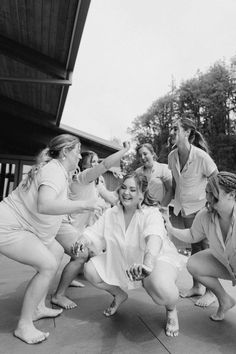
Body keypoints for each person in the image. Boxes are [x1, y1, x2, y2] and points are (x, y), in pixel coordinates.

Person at [0, 134, 105, 345]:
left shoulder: (59, 172)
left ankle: (37, 307)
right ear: (66, 152)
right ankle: (24, 325)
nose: (79, 157)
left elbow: (52, 208)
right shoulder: (54, 171)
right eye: (77, 152)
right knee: (47, 265)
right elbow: (45, 205)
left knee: (56, 250)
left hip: (22, 227)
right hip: (8, 227)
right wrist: (85, 205)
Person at [72, 172, 185, 337]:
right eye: (123, 188)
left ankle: (171, 309)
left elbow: (154, 240)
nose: (126, 193)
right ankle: (119, 294)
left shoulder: (151, 213)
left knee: (161, 287)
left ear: (142, 194)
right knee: (90, 270)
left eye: (133, 189)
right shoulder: (111, 213)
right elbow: (93, 233)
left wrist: (147, 265)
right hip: (123, 260)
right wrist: (82, 239)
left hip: (155, 260)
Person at [52, 143, 130, 309]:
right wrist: (124, 151)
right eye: (92, 162)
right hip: (66, 225)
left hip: (81, 228)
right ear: (84, 166)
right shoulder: (81, 178)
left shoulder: (95, 182)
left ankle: (70, 276)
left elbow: (112, 198)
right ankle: (58, 295)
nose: (96, 165)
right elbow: (105, 165)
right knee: (83, 255)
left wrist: (126, 185)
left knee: (85, 256)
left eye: (96, 162)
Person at [165, 171, 236, 321]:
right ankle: (225, 300)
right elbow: (192, 235)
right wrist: (170, 229)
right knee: (194, 264)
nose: (208, 198)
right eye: (207, 192)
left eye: (214, 193)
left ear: (232, 194)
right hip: (228, 265)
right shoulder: (205, 215)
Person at [167, 117, 218, 307]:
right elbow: (174, 184)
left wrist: (212, 204)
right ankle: (197, 286)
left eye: (175, 128)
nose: (171, 132)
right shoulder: (172, 156)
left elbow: (216, 178)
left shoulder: (201, 156)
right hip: (185, 208)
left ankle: (212, 292)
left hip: (202, 208)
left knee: (206, 249)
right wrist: (163, 205)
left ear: (187, 132)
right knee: (194, 248)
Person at [135, 143, 172, 207]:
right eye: (140, 155)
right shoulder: (137, 172)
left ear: (152, 154)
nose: (142, 157)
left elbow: (170, 190)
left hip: (160, 210)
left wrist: (161, 208)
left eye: (145, 154)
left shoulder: (164, 169)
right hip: (142, 210)